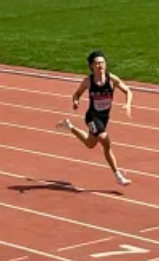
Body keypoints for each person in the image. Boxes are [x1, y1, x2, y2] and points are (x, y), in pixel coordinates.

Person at [56, 50, 133, 186]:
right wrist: (75, 101)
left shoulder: (112, 79)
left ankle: (69, 127)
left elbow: (128, 91)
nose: (100, 65)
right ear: (91, 66)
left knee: (90, 144)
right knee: (105, 140)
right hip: (92, 116)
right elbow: (76, 94)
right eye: (97, 63)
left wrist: (127, 104)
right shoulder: (88, 81)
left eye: (102, 62)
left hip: (104, 118)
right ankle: (118, 176)